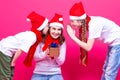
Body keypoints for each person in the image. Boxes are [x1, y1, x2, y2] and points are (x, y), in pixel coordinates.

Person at [66, 1, 120, 80]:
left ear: (79, 20)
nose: (71, 24)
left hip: (118, 43)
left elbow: (88, 47)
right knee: (106, 69)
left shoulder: (93, 25)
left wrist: (72, 37)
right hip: (113, 43)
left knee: (110, 72)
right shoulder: (86, 23)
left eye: (72, 21)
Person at [0, 11, 49, 80]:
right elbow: (20, 50)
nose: (48, 28)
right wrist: (13, 62)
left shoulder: (34, 36)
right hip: (5, 49)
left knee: (9, 74)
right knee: (6, 75)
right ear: (41, 27)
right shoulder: (32, 37)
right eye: (47, 26)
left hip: (7, 50)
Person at [31, 13, 66, 80]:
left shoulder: (62, 41)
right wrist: (45, 53)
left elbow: (61, 62)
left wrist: (56, 55)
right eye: (54, 29)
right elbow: (35, 58)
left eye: (59, 29)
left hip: (55, 73)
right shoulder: (40, 39)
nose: (56, 32)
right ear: (49, 29)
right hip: (39, 73)